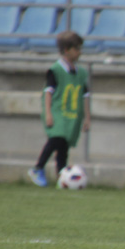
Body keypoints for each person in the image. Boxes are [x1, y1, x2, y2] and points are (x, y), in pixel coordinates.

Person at [28, 31, 91, 188]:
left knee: (63, 146)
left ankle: (61, 176)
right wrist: (48, 113)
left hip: (72, 114)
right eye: (77, 48)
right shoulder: (55, 70)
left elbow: (85, 96)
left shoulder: (81, 73)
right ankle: (38, 168)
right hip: (58, 111)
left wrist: (87, 117)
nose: (80, 52)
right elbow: (48, 92)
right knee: (56, 138)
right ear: (66, 50)